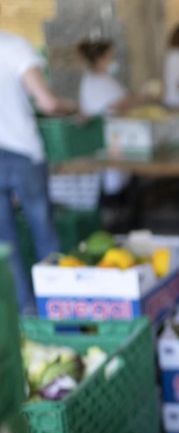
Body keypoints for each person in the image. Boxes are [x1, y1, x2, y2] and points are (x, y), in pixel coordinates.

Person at [0, 27, 74, 311]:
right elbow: (48, 102)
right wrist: (75, 108)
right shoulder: (14, 46)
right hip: (23, 153)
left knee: (5, 243)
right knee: (43, 230)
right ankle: (60, 306)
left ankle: (26, 314)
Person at [77, 39, 143, 229]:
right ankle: (118, 226)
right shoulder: (98, 80)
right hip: (109, 139)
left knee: (117, 182)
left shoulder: (93, 79)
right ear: (103, 57)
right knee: (115, 185)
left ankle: (118, 222)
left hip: (108, 139)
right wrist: (141, 96)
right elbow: (116, 104)